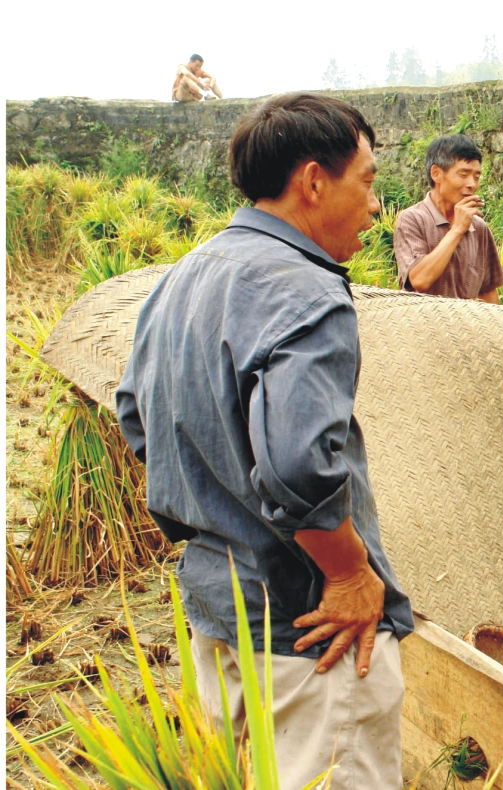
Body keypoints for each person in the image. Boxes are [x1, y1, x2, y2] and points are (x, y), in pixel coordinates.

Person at [116, 92, 414, 789]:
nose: (375, 207)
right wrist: (346, 572)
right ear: (314, 181)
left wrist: (217, 499)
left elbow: (137, 415)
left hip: (219, 613)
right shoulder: (305, 292)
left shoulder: (183, 276)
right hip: (309, 636)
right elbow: (299, 469)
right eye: (366, 181)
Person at [394, 133, 503, 301]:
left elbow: (488, 292)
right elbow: (419, 280)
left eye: (476, 177)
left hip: (465, 326)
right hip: (421, 325)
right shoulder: (412, 219)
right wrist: (457, 230)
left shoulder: (479, 228)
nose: (472, 184)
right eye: (463, 175)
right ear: (436, 173)